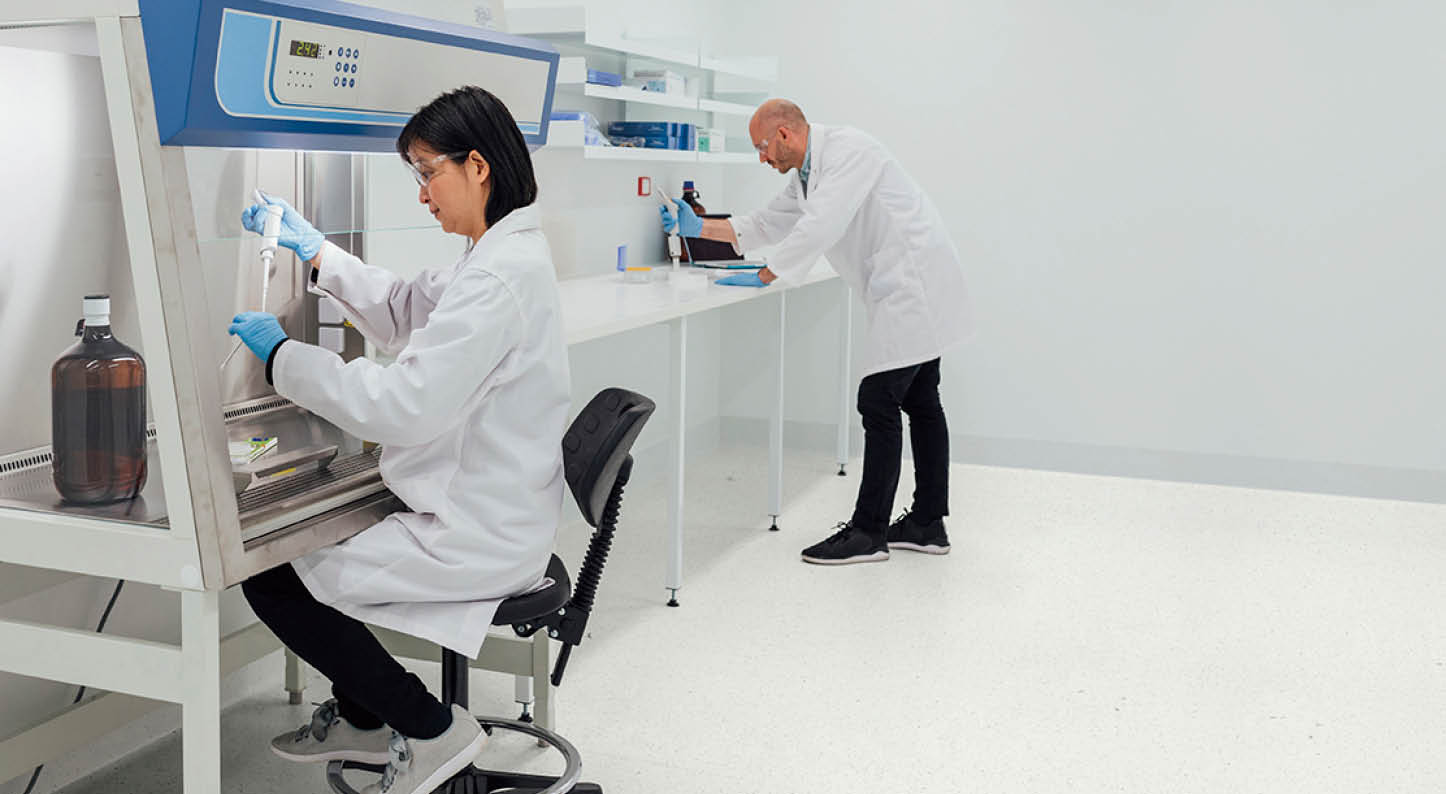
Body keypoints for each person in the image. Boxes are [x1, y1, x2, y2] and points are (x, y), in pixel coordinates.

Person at [228, 86, 570, 794]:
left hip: (481, 533)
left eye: (426, 173)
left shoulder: (502, 274)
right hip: (492, 507)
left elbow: (403, 405)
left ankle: (429, 727)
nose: (422, 195)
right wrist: (317, 251)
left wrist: (281, 357)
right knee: (305, 553)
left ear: (477, 165)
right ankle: (362, 714)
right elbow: (410, 309)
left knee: (272, 570)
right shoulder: (496, 256)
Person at [659, 99, 971, 566]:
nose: (761, 158)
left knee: (879, 400)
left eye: (762, 147)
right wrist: (698, 225)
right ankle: (928, 523)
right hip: (904, 284)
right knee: (922, 399)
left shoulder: (850, 152)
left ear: (784, 134)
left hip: (913, 281)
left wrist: (768, 275)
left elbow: (821, 225)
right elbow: (765, 224)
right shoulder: (807, 175)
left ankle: (869, 532)